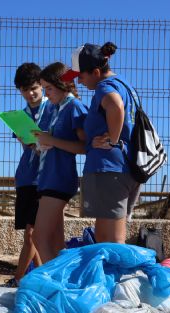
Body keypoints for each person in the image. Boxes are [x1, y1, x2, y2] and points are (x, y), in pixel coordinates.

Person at [61, 42, 140, 243]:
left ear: (96, 72)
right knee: (105, 238)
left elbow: (115, 106)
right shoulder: (124, 85)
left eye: (81, 76)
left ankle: (112, 275)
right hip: (125, 167)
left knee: (111, 241)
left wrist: (112, 140)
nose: (78, 81)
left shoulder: (105, 87)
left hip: (109, 170)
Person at [3, 63, 55, 288]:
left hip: (46, 178)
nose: (31, 93)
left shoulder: (53, 108)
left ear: (42, 86)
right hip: (26, 177)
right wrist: (26, 139)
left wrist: (40, 142)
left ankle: (18, 279)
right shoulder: (20, 116)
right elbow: (27, 143)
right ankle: (40, 275)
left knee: (33, 235)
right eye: (25, 90)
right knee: (30, 233)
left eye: (34, 88)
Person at [31, 62, 88, 263]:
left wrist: (52, 141)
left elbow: (84, 147)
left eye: (49, 88)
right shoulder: (54, 108)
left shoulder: (74, 107)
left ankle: (53, 284)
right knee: (55, 243)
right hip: (47, 177)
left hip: (59, 179)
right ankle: (62, 283)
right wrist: (41, 142)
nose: (46, 94)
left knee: (38, 237)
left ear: (63, 85)